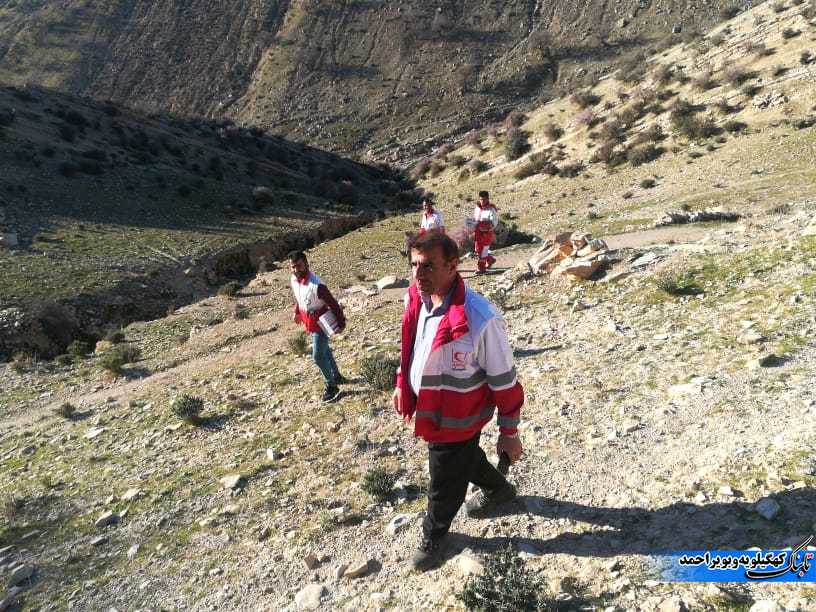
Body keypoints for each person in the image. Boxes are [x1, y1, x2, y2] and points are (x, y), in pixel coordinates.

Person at [392, 231, 524, 571]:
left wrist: (509, 431)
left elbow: (505, 380)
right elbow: (412, 346)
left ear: (454, 266)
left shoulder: (480, 318)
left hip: (458, 417)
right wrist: (400, 382)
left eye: (428, 266)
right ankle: (499, 491)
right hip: (432, 410)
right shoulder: (418, 299)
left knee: (443, 480)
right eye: (414, 265)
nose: (419, 275)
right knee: (462, 459)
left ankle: (435, 534)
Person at [288, 250, 348, 403]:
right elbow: (298, 297)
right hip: (309, 323)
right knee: (325, 350)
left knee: (317, 356)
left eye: (299, 266)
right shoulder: (294, 280)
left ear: (306, 264)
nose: (296, 270)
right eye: (293, 267)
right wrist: (296, 312)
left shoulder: (317, 285)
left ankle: (331, 386)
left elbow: (333, 304)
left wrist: (341, 323)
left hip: (321, 325)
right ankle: (336, 376)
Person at [473, 190, 498, 273]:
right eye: (481, 199)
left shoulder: (491, 210)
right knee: (478, 250)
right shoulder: (477, 208)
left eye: (484, 199)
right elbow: (475, 219)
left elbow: (494, 222)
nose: (482, 201)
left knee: (483, 251)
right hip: (477, 233)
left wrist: (486, 227)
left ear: (487, 199)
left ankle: (481, 268)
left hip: (486, 234)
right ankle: (490, 259)